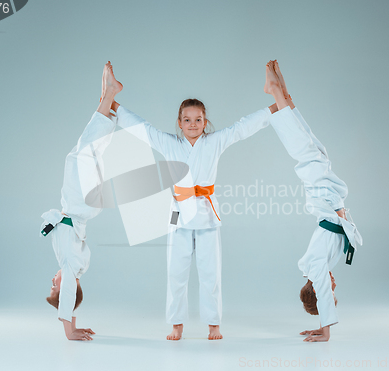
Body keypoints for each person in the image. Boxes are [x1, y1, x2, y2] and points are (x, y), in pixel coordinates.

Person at [111, 78, 279, 341]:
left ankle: (214, 324)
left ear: (205, 122)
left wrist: (272, 108)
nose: (192, 125)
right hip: (178, 214)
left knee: (210, 272)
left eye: (198, 119)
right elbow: (142, 129)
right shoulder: (169, 143)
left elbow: (241, 128)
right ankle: (176, 323)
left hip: (207, 216)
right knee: (176, 271)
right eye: (187, 120)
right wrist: (113, 105)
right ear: (179, 123)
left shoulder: (214, 142)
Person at [264, 60, 363, 342]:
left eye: (330, 290)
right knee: (312, 146)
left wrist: (325, 330)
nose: (334, 286)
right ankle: (284, 93)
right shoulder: (323, 262)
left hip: (323, 194)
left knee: (304, 148)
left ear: (319, 289)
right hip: (329, 192)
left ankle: (275, 93)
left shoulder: (317, 266)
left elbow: (324, 295)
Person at [40, 62, 123, 341]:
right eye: (55, 288)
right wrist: (69, 331)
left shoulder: (77, 267)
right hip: (79, 204)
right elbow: (68, 296)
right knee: (81, 153)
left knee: (92, 152)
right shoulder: (70, 266)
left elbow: (71, 297)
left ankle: (106, 101)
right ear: (67, 287)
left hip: (88, 207)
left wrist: (76, 321)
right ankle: (108, 96)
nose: (52, 281)